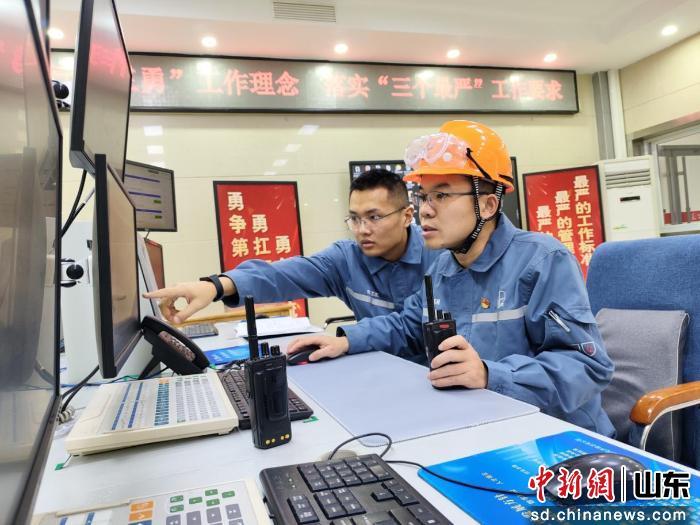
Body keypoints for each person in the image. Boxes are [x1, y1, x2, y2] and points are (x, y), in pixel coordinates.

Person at [288, 120, 615, 435]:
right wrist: (346, 341)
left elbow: (587, 366)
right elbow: (408, 326)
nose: (425, 210)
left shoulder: (542, 260)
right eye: (423, 196)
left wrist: (490, 375)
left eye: (442, 196)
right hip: (479, 427)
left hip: (557, 439)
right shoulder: (443, 267)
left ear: (488, 205)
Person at [144, 169, 441, 363]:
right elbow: (281, 275)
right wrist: (216, 286)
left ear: (407, 216)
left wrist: (347, 339)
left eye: (374, 217)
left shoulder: (441, 256)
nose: (362, 230)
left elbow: (412, 327)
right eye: (354, 218)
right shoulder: (347, 259)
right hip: (378, 365)